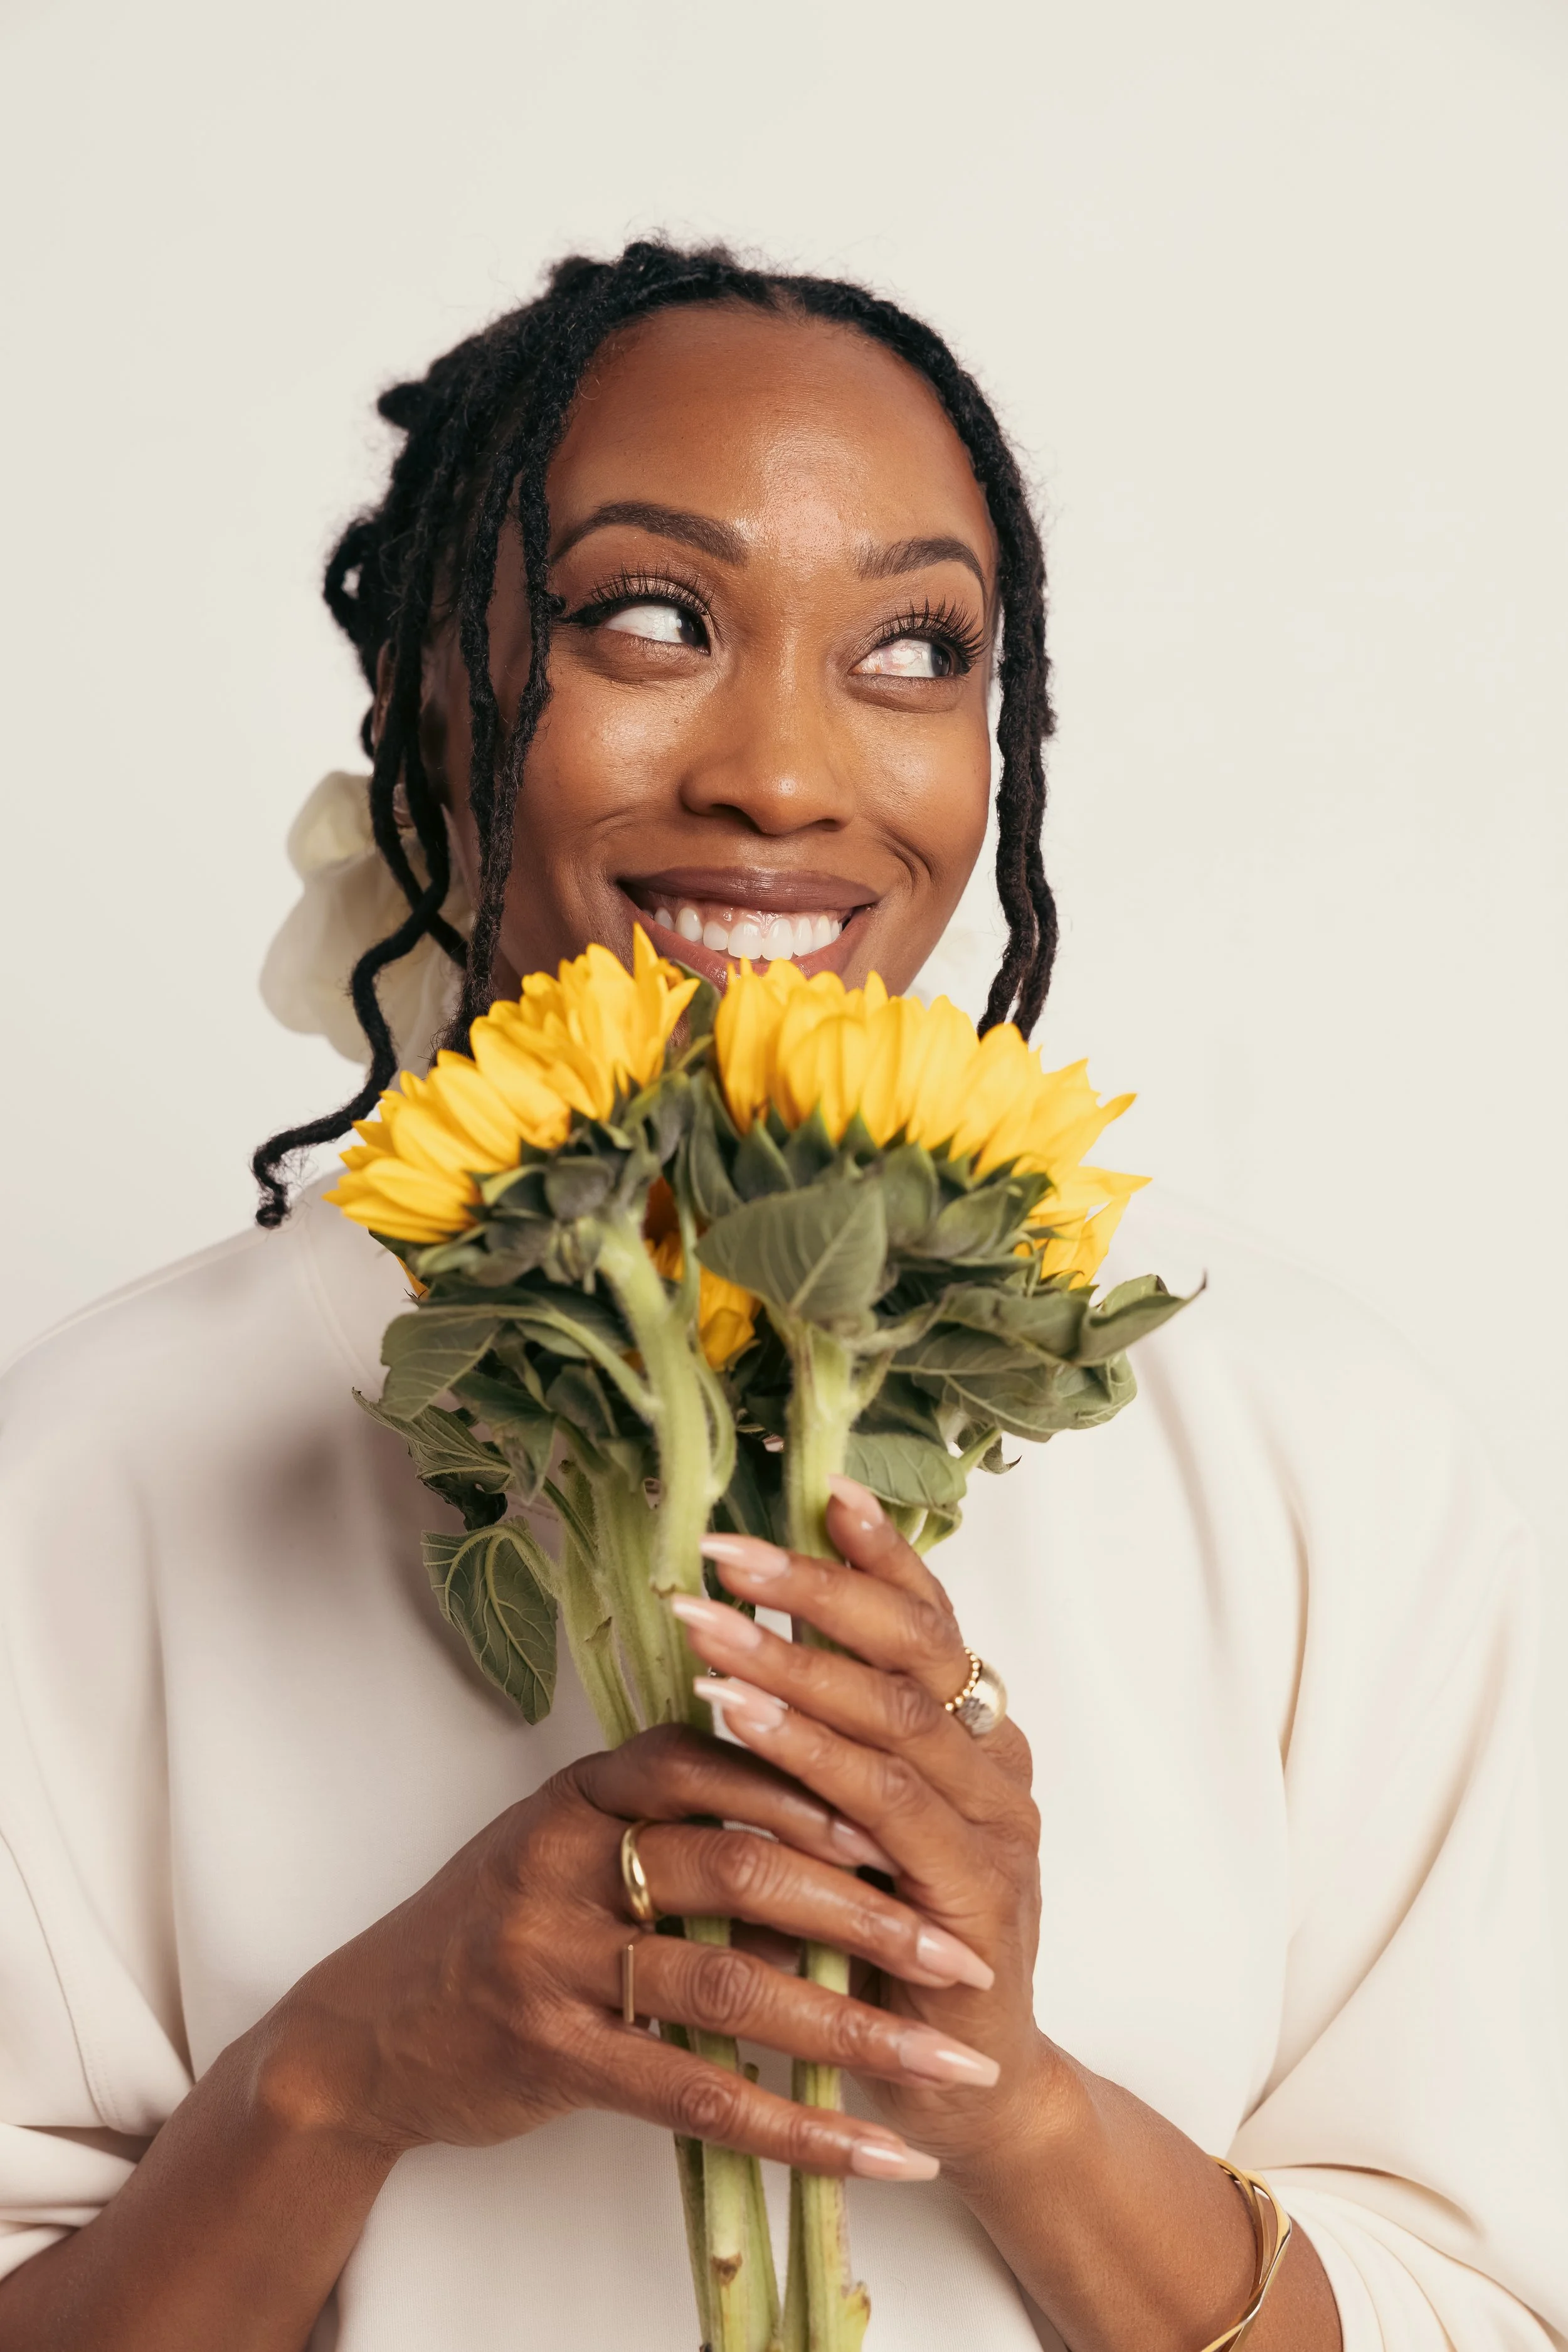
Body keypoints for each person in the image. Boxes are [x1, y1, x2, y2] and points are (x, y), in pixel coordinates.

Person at [0, 240, 1562, 2352]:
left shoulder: (1311, 1448)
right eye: (651, 618)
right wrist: (339, 2076)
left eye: (912, 649)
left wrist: (1008, 2096)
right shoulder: (89, 1474)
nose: (786, 774)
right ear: (418, 703)